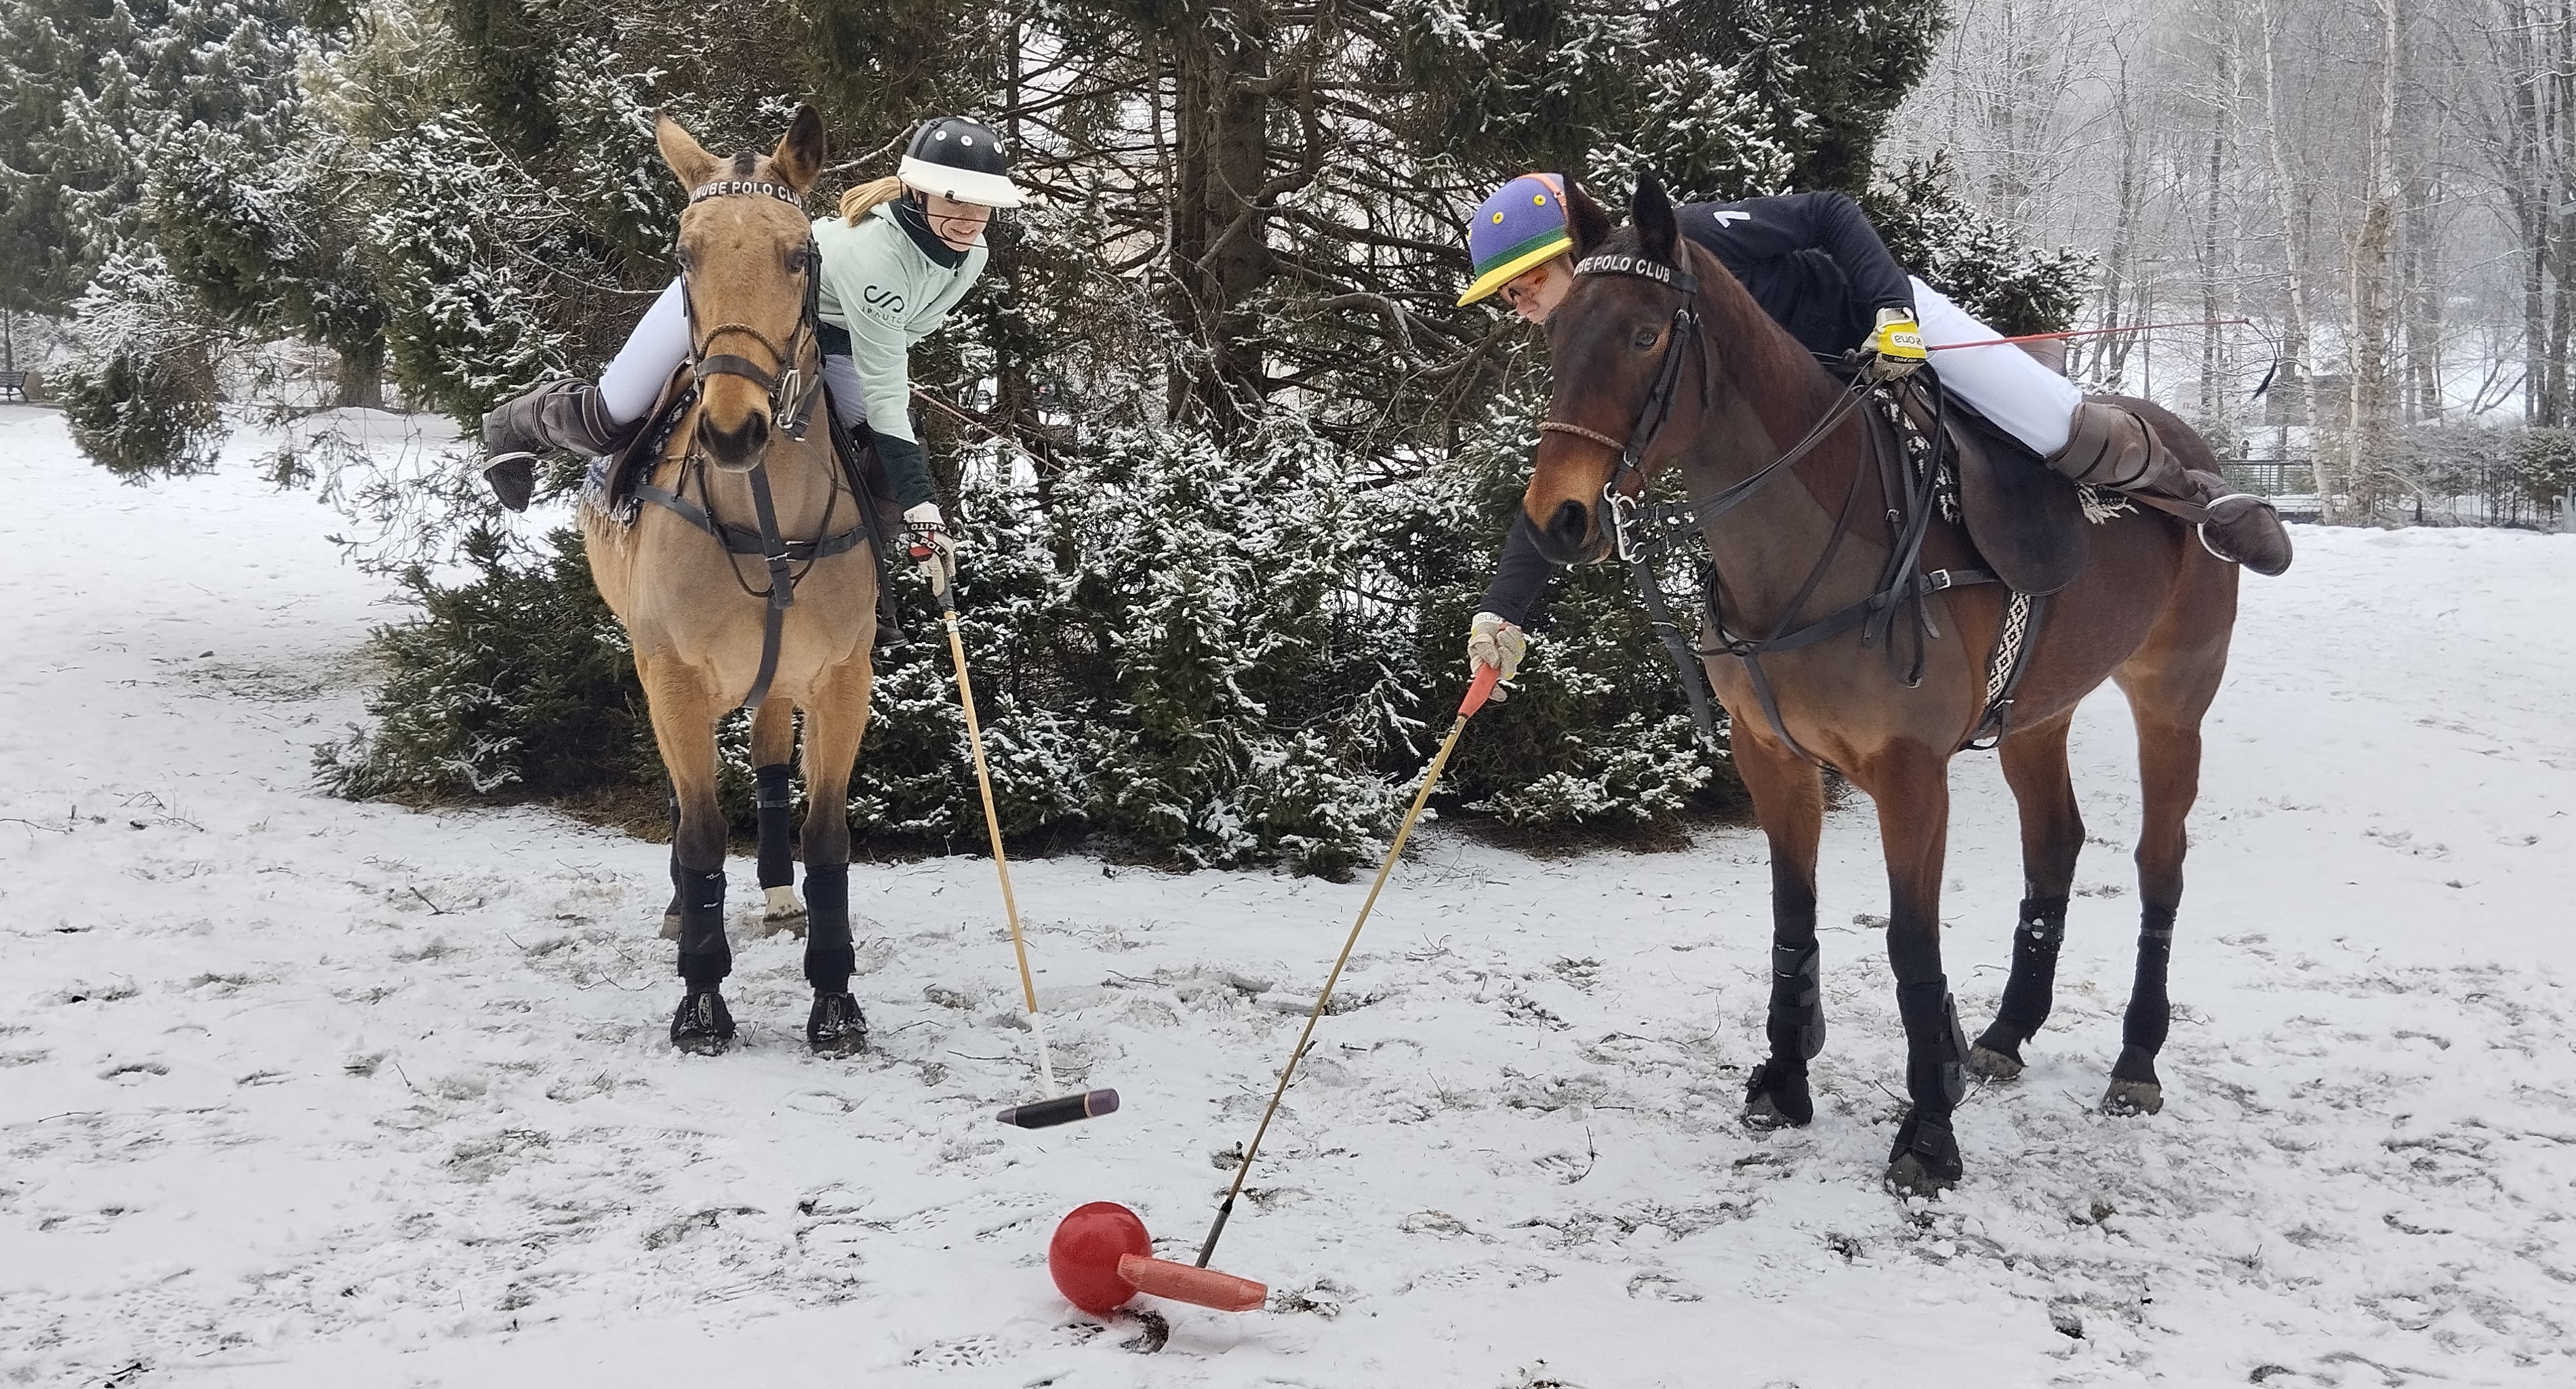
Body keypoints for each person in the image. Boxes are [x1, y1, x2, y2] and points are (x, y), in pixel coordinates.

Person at [1454, 172, 2293, 689]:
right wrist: (1505, 611)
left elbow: (1825, 212)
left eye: (1522, 281)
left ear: (1577, 247)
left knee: (2054, 422)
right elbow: (1576, 465)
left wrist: (1892, 312)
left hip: (1879, 322)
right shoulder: (1603, 349)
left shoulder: (1696, 239)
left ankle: (2200, 503)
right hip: (1821, 403)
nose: (1515, 303)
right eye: (1504, 295)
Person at [477, 115, 1026, 597]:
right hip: (730, 299)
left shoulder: (970, 252)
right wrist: (922, 504)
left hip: (824, 337)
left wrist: (910, 496)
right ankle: (517, 423)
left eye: (983, 203)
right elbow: (884, 377)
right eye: (954, 198)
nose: (970, 217)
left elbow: (890, 341)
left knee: (881, 455)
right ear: (918, 192)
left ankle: (863, 591)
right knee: (610, 414)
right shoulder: (877, 261)